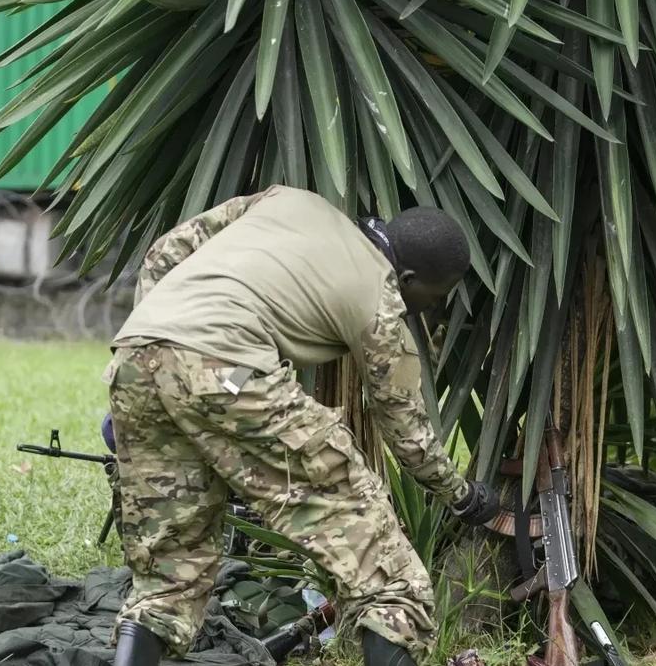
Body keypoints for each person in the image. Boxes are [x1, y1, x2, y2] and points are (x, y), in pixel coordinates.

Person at [104, 186, 500, 666]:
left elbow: (164, 252)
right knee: (387, 573)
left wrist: (162, 358)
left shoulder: (291, 202)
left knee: (170, 573)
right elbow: (406, 430)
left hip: (136, 354)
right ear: (410, 277)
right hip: (229, 368)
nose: (429, 311)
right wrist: (462, 496)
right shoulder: (380, 298)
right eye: (434, 299)